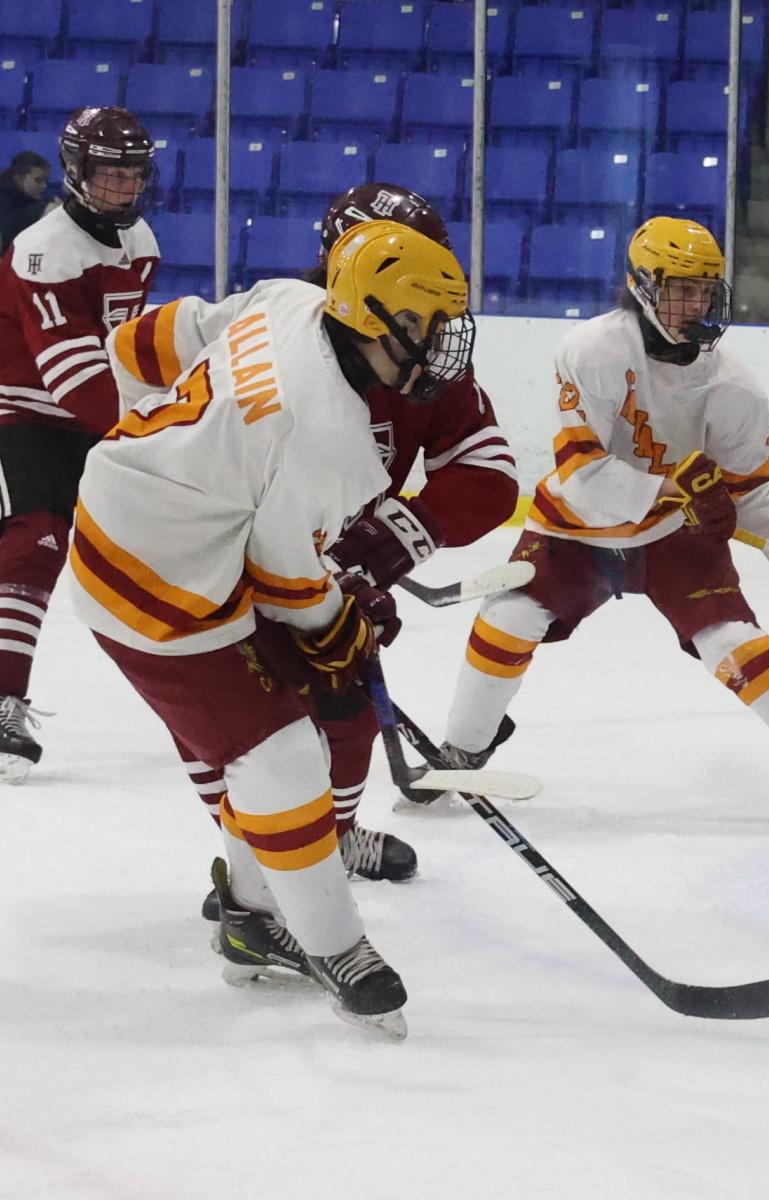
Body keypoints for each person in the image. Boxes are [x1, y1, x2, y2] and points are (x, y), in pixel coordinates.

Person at [69, 218, 477, 1037]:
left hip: (166, 536)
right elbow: (289, 585)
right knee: (281, 752)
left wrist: (157, 457)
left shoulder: (290, 301)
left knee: (290, 740)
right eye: (428, 326)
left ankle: (253, 919)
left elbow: (143, 343)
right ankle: (334, 947)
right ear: (376, 318)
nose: (441, 347)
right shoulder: (326, 435)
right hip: (155, 581)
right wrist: (340, 624)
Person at [110, 182, 519, 890]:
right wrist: (145, 447)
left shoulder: (419, 350)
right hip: (218, 560)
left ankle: (326, 845)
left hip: (316, 567)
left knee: (346, 712)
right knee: (241, 735)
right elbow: (132, 348)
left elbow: (490, 476)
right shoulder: (278, 318)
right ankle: (262, 880)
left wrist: (386, 543)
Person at [434, 216, 769, 833]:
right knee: (508, 618)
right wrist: (675, 488)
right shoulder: (592, 351)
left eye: (705, 290)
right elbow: (583, 474)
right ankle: (463, 749)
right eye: (681, 289)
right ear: (641, 286)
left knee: (728, 639)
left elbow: (747, 491)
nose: (696, 304)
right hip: (576, 530)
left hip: (674, 535)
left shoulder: (735, 386)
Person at [0, 107, 159, 779]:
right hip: (18, 410)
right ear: (75, 172)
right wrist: (167, 428)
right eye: (108, 173)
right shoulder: (45, 249)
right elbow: (76, 380)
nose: (123, 186)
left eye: (132, 174)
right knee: (37, 540)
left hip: (85, 418)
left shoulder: (141, 240)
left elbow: (124, 353)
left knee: (173, 538)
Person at [0, 151, 53, 255]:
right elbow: (12, 227)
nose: (44, 186)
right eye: (38, 180)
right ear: (19, 179)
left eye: (46, 181)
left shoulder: (27, 198)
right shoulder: (5, 201)